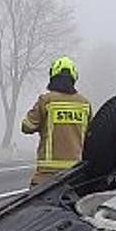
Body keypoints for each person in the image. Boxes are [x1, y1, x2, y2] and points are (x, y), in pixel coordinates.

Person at [20, 56, 90, 188]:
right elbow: (91, 133)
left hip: (46, 175)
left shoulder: (46, 100)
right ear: (74, 77)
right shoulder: (85, 104)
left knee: (35, 206)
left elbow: (27, 127)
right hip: (74, 173)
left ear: (53, 76)